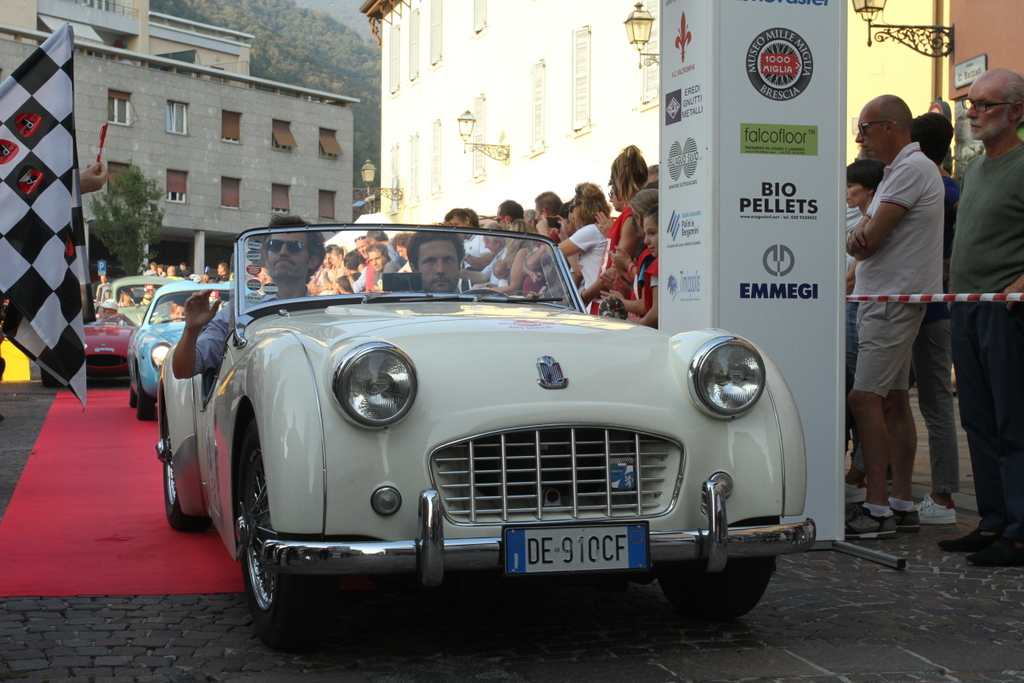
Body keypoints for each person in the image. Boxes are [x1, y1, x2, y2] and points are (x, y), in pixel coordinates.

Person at [844, 94, 944, 539]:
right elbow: (864, 233)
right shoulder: (902, 169)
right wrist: (860, 233)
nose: (860, 138)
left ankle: (878, 506)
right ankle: (900, 502)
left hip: (889, 300)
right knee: (894, 400)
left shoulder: (908, 169)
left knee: (864, 399)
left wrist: (858, 235)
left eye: (864, 128)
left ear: (890, 127)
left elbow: (867, 240)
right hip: (892, 297)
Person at [940, 69, 1024, 566]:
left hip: (1005, 313)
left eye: (984, 104)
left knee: (1012, 423)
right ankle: (993, 521)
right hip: (967, 308)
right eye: (969, 104)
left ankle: (1019, 531)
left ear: (1015, 111)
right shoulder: (973, 169)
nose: (971, 113)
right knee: (977, 420)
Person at [172, 216, 323, 378]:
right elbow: (183, 370)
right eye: (275, 246)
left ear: (312, 260)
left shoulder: (323, 315)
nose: (283, 252)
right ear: (267, 259)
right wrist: (191, 329)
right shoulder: (239, 311)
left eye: (294, 247)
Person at [906, 112, 960, 525]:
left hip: (922, 306)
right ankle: (870, 478)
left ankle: (941, 498)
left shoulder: (930, 186)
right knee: (888, 397)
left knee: (925, 401)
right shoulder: (949, 187)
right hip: (929, 305)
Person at [841, 159, 885, 507]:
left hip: (860, 308)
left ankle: (863, 477)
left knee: (862, 395)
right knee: (852, 393)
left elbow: (854, 276)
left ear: (869, 189)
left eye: (850, 186)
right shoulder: (854, 218)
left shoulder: (871, 222)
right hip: (850, 308)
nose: (844, 193)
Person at [558, 182, 612, 295]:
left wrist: (544, 232)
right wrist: (564, 237)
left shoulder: (590, 230)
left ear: (581, 207)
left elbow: (554, 252)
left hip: (597, 298)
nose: (571, 213)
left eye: (572, 207)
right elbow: (578, 270)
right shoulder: (595, 229)